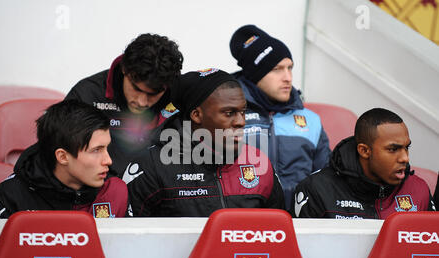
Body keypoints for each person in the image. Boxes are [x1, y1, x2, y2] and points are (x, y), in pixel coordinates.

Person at [125, 68, 285, 217]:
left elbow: (280, 233)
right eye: (229, 113)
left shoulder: (258, 162)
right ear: (196, 115)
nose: (241, 122)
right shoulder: (152, 167)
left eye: (243, 112)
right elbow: (129, 239)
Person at [229, 25, 330, 210]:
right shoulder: (228, 116)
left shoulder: (311, 120)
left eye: (290, 68)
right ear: (254, 75)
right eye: (277, 69)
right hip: (244, 224)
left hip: (301, 225)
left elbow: (326, 182)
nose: (288, 77)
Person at [65, 33, 184, 177]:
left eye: (153, 94)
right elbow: (64, 157)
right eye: (136, 88)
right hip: (102, 190)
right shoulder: (86, 95)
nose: (141, 102)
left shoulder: (182, 97)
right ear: (124, 69)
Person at [0, 100, 128, 219]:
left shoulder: (115, 190)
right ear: (62, 157)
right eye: (96, 150)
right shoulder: (12, 194)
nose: (108, 160)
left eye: (106, 148)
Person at [291, 108, 435, 219]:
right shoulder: (316, 190)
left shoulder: (418, 189)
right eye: (393, 149)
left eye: (406, 147)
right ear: (364, 150)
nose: (405, 158)